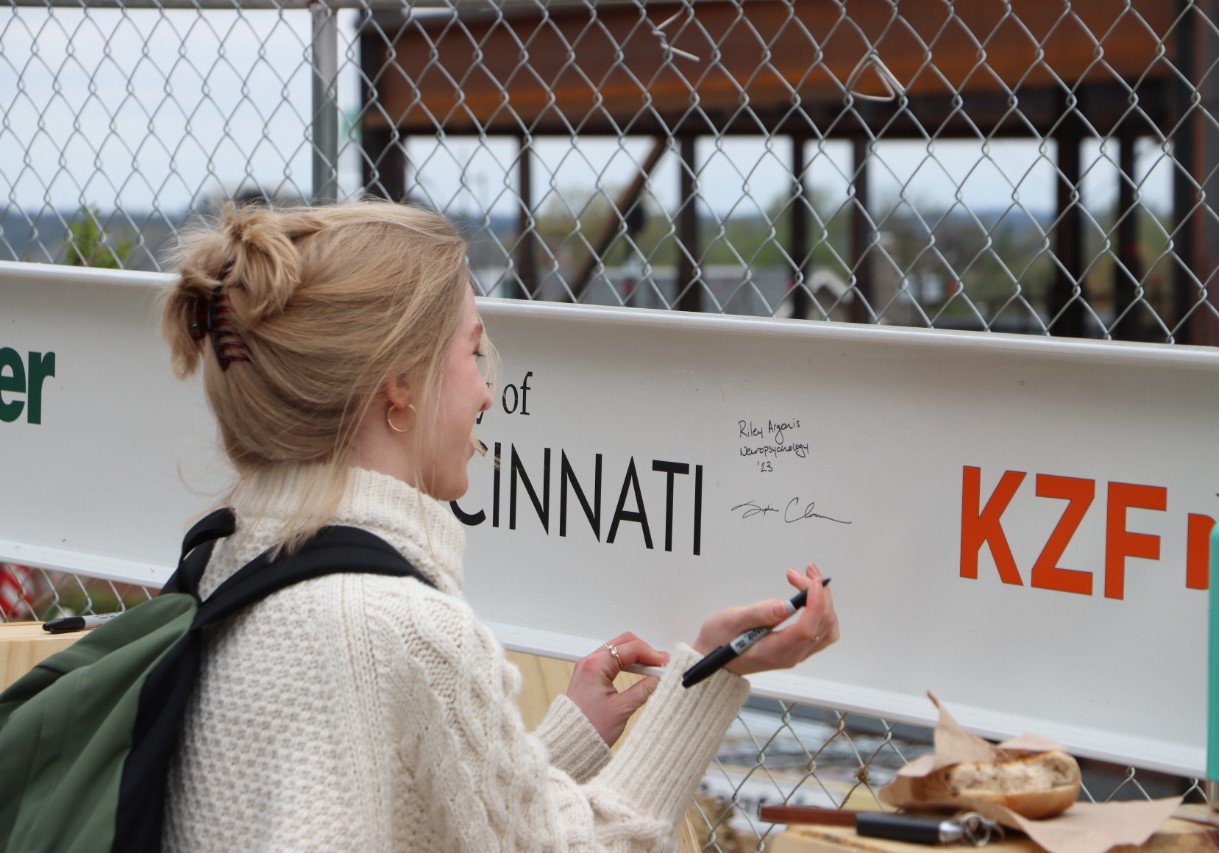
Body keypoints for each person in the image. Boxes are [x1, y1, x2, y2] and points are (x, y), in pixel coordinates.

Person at [159, 200, 838, 851]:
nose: (487, 390)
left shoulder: (221, 568)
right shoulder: (404, 630)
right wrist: (708, 683)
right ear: (401, 386)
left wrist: (560, 743)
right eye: (472, 353)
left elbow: (412, 812)